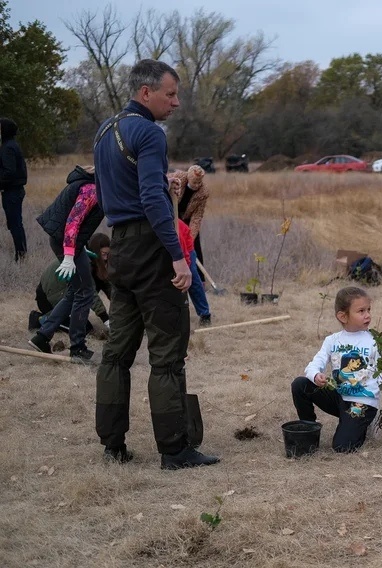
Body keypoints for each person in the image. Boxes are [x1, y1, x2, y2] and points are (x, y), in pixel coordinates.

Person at [93, 59, 219, 469]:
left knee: (116, 353)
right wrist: (179, 258)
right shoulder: (149, 132)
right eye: (170, 93)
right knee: (167, 355)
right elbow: (150, 201)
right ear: (145, 92)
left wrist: (163, 182)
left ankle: (112, 445)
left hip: (120, 249)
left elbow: (121, 189)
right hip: (150, 249)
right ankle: (175, 450)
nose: (176, 102)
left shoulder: (104, 132)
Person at [290, 286, 382, 453]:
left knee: (342, 447)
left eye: (368, 309)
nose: (367, 315)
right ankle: (308, 427)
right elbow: (314, 364)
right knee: (300, 384)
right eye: (361, 311)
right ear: (342, 316)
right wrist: (316, 375)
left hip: (362, 402)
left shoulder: (375, 340)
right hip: (338, 396)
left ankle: (364, 423)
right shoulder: (332, 340)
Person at [28, 166, 104, 362]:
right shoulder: (92, 190)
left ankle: (42, 336)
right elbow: (73, 222)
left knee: (75, 290)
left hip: (66, 241)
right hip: (65, 240)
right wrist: (70, 255)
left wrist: (80, 249)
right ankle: (77, 347)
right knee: (85, 292)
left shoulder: (92, 184)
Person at [30, 232, 112, 336]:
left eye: (108, 254)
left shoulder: (96, 262)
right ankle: (40, 320)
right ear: (95, 251)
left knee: (82, 325)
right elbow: (90, 291)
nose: (105, 258)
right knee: (84, 329)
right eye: (103, 254)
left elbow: (108, 285)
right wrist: (105, 319)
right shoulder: (83, 261)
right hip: (48, 297)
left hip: (63, 294)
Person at [173, 165, 209, 280]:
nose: (197, 185)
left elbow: (197, 217)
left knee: (194, 247)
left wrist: (189, 239)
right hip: (172, 215)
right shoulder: (177, 178)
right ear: (188, 178)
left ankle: (200, 279)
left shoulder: (203, 192)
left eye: (199, 183)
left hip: (187, 219)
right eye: (194, 183)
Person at [0, 117, 28, 261]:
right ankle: (21, 253)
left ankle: (21, 255)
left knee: (15, 223)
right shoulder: (11, 145)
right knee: (15, 223)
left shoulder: (7, 148)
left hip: (12, 192)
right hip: (14, 191)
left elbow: (9, 172)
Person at [177, 218, 212, 326]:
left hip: (186, 246)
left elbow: (182, 250)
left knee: (192, 278)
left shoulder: (173, 229)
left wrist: (186, 268)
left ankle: (204, 314)